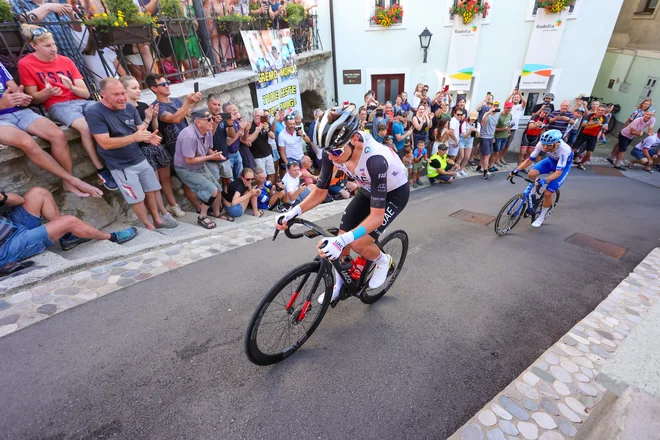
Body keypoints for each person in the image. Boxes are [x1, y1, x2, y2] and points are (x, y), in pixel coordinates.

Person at [275, 105, 410, 304]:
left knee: (357, 242)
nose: (331, 157)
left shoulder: (375, 160)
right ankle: (339, 284)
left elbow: (376, 217)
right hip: (367, 188)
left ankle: (382, 260)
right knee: (341, 237)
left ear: (354, 139)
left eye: (335, 151)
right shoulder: (334, 151)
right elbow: (320, 192)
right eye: (326, 151)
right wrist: (291, 213)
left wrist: (343, 241)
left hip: (394, 193)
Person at [17, 25, 118, 191]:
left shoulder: (66, 61)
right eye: (47, 46)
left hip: (80, 100)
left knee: (110, 113)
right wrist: (47, 92)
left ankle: (118, 157)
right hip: (57, 105)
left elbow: (85, 93)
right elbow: (33, 97)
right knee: (86, 127)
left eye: (54, 44)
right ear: (34, 46)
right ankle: (101, 169)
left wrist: (71, 87)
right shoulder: (26, 63)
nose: (53, 49)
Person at [0, 61, 102, 198]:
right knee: (28, 143)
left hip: (19, 112)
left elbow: (14, 89)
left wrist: (22, 98)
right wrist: (2, 104)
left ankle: (68, 183)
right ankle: (73, 180)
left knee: (58, 135)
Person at [86, 78, 178, 231]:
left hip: (139, 158)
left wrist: (149, 136)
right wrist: (134, 138)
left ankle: (157, 220)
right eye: (116, 94)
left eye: (123, 93)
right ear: (103, 94)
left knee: (151, 190)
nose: (122, 98)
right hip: (120, 165)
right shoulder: (95, 112)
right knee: (137, 198)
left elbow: (140, 128)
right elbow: (104, 143)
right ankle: (149, 226)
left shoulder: (129, 107)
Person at [0, 187, 137, 268]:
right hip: (7, 246)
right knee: (69, 221)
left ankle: (67, 237)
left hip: (12, 225)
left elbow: (20, 201)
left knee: (38, 192)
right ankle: (112, 238)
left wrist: (1, 196)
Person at [120, 75, 185, 218]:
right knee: (153, 184)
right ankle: (163, 211)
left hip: (156, 146)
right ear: (124, 91)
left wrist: (154, 118)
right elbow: (136, 134)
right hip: (143, 150)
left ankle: (172, 205)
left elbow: (154, 128)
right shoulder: (125, 111)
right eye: (134, 88)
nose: (139, 90)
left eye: (138, 87)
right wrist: (149, 118)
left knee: (165, 179)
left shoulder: (143, 105)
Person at [173, 107, 235, 228]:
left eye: (211, 119)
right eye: (208, 119)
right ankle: (202, 216)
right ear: (198, 122)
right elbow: (189, 160)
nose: (211, 122)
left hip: (199, 164)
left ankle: (217, 214)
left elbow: (208, 149)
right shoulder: (188, 136)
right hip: (186, 168)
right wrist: (211, 158)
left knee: (218, 188)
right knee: (212, 190)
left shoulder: (207, 131)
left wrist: (216, 155)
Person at [510, 129, 572, 228]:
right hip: (550, 161)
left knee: (548, 193)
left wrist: (544, 181)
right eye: (544, 145)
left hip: (562, 168)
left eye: (548, 145)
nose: (545, 147)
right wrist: (516, 170)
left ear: (556, 142)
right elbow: (529, 160)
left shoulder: (565, 149)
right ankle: (533, 195)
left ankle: (541, 217)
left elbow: (558, 172)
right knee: (531, 173)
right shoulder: (541, 144)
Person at [206, 94, 232, 191]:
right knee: (216, 184)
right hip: (211, 158)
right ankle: (219, 204)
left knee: (227, 181)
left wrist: (230, 124)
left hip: (224, 156)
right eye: (214, 104)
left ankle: (227, 201)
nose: (217, 107)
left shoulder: (222, 118)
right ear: (208, 104)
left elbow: (231, 135)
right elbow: (207, 137)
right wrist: (215, 123)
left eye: (218, 105)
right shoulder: (205, 118)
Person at [243, 108, 276, 183]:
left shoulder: (266, 123)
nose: (259, 118)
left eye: (261, 116)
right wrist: (257, 130)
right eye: (257, 116)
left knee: (271, 173)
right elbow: (248, 141)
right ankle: (263, 191)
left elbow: (273, 136)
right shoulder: (251, 126)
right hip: (257, 155)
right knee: (262, 176)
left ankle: (269, 190)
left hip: (267, 153)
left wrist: (267, 130)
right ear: (253, 116)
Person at [572, 104, 608, 171]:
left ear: (605, 112)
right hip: (583, 134)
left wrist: (600, 124)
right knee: (574, 149)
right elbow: (583, 124)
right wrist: (589, 123)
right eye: (598, 109)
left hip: (593, 136)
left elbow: (606, 127)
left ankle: (581, 163)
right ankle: (568, 160)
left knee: (589, 153)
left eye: (602, 110)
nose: (599, 111)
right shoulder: (590, 115)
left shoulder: (604, 118)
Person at [503, 89, 527, 162]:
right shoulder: (509, 106)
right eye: (515, 97)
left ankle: (502, 157)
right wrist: (512, 94)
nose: (516, 98)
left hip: (513, 128)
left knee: (507, 145)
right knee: (502, 144)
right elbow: (506, 102)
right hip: (505, 128)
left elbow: (525, 102)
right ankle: (497, 158)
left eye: (517, 98)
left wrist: (520, 94)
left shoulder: (520, 107)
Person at [478, 101, 499, 179]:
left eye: (497, 106)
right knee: (487, 155)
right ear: (491, 106)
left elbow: (493, 127)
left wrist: (493, 137)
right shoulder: (486, 114)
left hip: (490, 137)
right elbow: (483, 123)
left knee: (486, 154)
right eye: (494, 106)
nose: (495, 107)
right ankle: (485, 172)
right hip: (484, 136)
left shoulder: (496, 116)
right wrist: (488, 113)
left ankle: (479, 166)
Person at [492, 101, 514, 169]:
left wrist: (509, 130)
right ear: (504, 107)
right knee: (496, 151)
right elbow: (494, 128)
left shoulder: (510, 115)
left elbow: (508, 125)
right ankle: (492, 163)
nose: (509, 109)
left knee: (501, 149)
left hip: (505, 136)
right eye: (508, 108)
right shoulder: (499, 116)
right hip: (498, 136)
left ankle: (496, 160)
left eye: (510, 108)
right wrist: (504, 129)